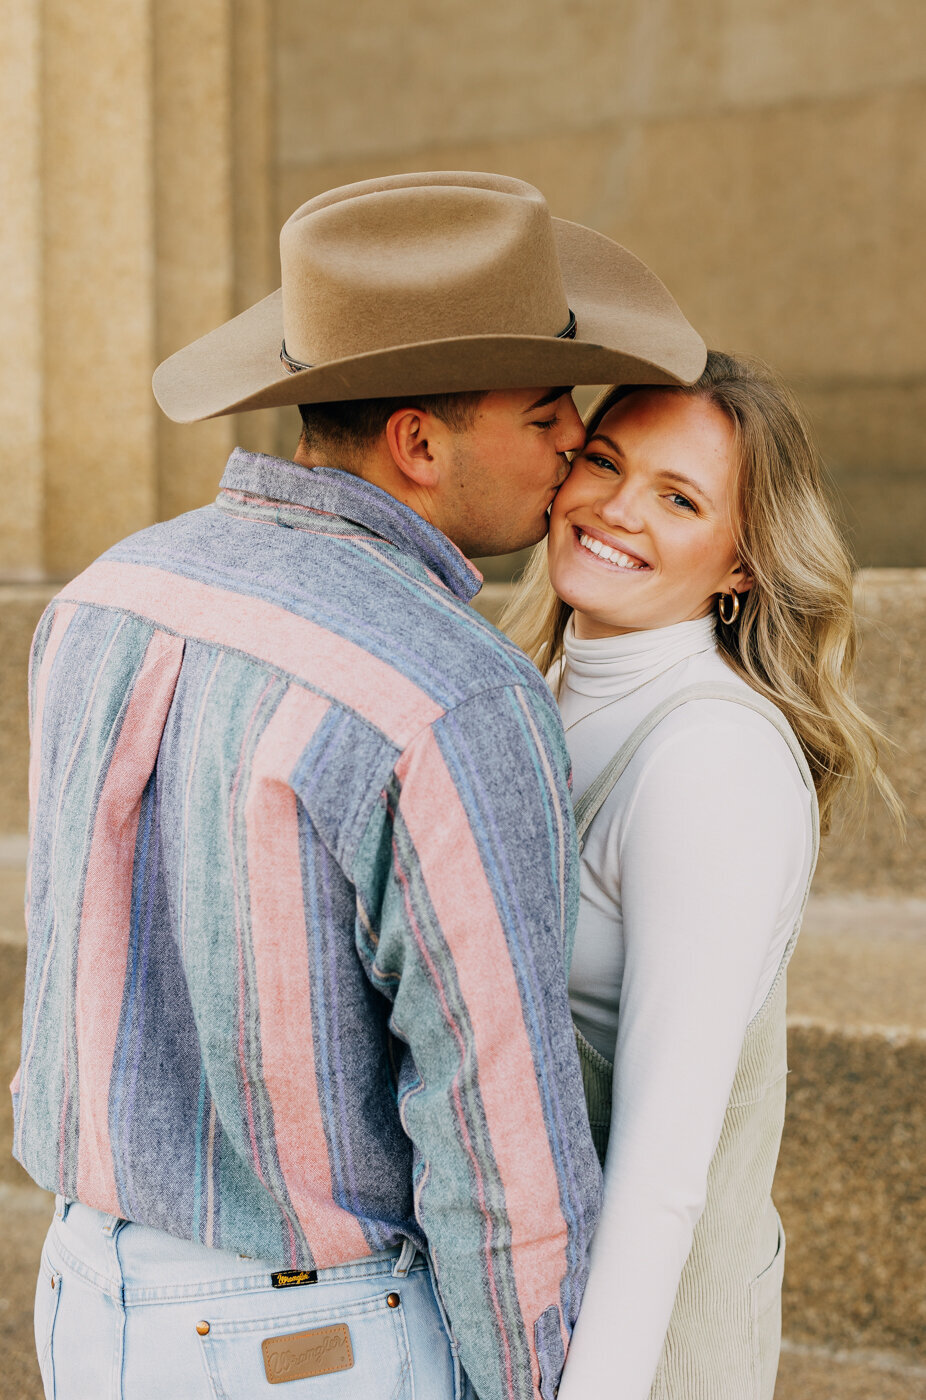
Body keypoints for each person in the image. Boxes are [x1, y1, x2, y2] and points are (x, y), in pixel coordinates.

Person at [15, 171, 707, 1400]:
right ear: (419, 443)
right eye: (546, 411)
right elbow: (497, 1141)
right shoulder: (452, 690)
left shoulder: (110, 593)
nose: (574, 445)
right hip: (308, 1344)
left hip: (87, 1296)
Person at [502, 351, 901, 1400]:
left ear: (740, 566)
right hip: (521, 1310)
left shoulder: (707, 761)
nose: (615, 508)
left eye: (677, 497)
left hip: (630, 1349)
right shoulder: (541, 686)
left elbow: (661, 1168)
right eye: (602, 459)